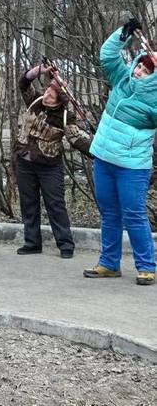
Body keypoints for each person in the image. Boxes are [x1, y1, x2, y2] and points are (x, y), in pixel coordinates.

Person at [84, 18, 157, 286]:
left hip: (132, 166)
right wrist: (122, 34)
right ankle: (109, 263)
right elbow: (107, 54)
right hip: (104, 158)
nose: (139, 71)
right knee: (110, 213)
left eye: (146, 70)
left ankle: (147, 266)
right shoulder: (122, 78)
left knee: (134, 214)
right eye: (139, 65)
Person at [13, 63, 92, 259]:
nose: (47, 93)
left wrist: (101, 152)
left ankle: (65, 245)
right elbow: (23, 83)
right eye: (47, 89)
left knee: (55, 205)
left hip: (49, 166)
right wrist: (38, 71)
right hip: (24, 161)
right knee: (28, 203)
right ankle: (32, 243)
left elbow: (78, 140)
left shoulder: (65, 117)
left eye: (52, 92)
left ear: (59, 99)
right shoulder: (35, 100)